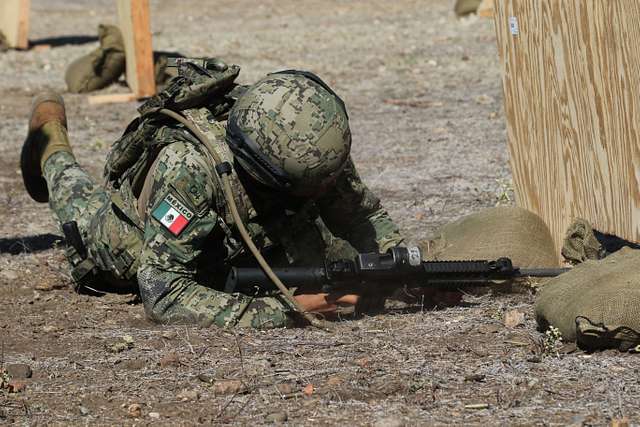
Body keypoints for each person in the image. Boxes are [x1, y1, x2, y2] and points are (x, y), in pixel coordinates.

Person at [20, 63, 404, 329]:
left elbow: (360, 216)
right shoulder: (189, 170)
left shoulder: (312, 144)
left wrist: (406, 266)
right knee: (80, 206)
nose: (329, 188)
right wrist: (291, 310)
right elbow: (162, 291)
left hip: (245, 235)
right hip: (137, 237)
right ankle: (50, 139)